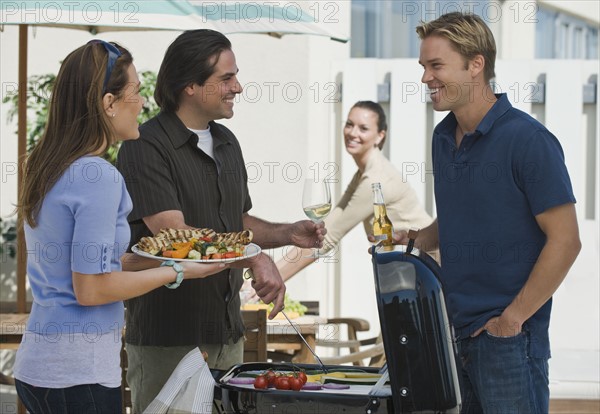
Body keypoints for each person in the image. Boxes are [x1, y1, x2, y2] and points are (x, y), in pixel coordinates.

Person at [116, 29, 325, 413]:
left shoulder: (228, 141)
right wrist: (252, 257)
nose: (238, 87)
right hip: (168, 341)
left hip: (228, 337)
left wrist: (285, 233)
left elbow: (237, 220)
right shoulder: (143, 145)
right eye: (226, 78)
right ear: (190, 85)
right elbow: (173, 235)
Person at [12, 40, 227, 413]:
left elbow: (91, 264)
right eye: (136, 92)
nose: (143, 103)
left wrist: (164, 263)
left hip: (40, 369)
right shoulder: (98, 176)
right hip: (80, 375)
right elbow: (92, 289)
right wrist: (175, 271)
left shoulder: (50, 166)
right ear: (108, 103)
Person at [392, 12, 581, 413]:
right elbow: (466, 212)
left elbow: (566, 241)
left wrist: (510, 322)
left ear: (476, 64)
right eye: (424, 67)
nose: (426, 77)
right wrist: (417, 239)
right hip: (455, 333)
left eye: (436, 65)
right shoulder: (443, 137)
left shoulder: (528, 140)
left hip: (509, 341)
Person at [276, 101, 434, 281]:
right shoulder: (364, 173)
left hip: (427, 268)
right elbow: (331, 222)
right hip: (408, 269)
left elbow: (328, 238)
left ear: (380, 136)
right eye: (349, 124)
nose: (353, 133)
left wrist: (270, 279)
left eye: (363, 128)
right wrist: (270, 271)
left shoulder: (375, 180)